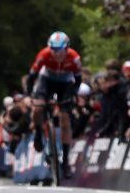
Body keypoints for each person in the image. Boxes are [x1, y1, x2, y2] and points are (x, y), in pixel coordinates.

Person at [26, 31, 81, 178]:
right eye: (53, 50)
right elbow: (31, 77)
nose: (56, 54)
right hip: (47, 81)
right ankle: (38, 132)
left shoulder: (74, 58)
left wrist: (72, 95)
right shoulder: (43, 54)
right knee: (37, 108)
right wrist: (30, 95)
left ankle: (65, 162)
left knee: (65, 119)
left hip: (66, 84)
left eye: (60, 51)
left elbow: (78, 80)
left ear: (67, 48)